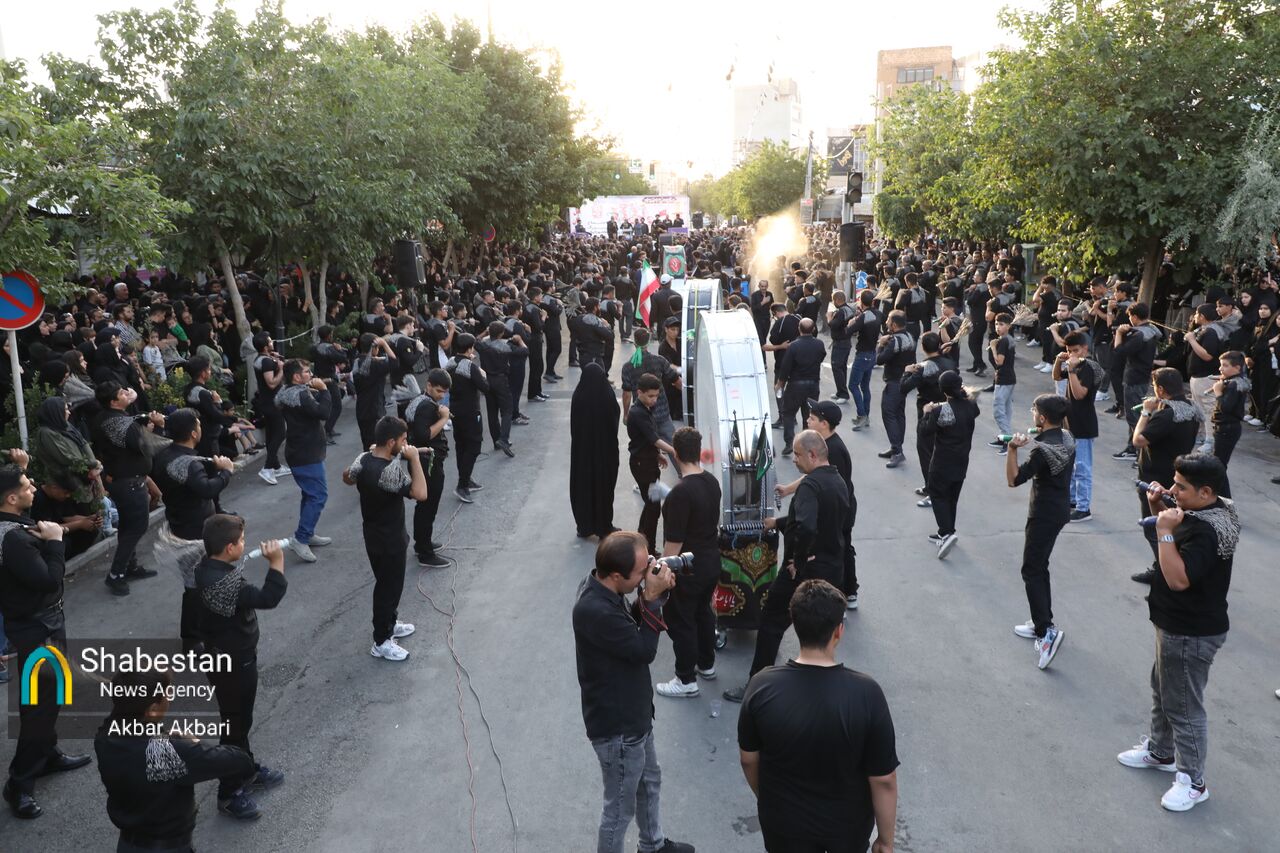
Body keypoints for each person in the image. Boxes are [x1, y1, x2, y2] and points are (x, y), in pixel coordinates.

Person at [737, 579, 899, 853]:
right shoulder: (867, 694)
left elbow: (748, 759)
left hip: (783, 825)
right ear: (839, 631)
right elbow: (884, 779)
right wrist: (885, 841)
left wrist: (770, 800)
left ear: (794, 623)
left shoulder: (761, 686)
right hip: (846, 830)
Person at [1117, 455, 1238, 812]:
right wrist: (1158, 508)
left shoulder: (1205, 529)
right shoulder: (1217, 509)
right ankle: (1161, 751)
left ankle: (1193, 781)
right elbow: (1167, 550)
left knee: (1183, 706)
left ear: (1206, 492)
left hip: (1190, 631)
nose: (1172, 490)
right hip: (1176, 625)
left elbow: (1178, 578)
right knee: (1164, 689)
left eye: (1180, 487)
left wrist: (1164, 528)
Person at [571, 531, 693, 853]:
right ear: (616, 575)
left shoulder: (604, 589)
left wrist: (650, 599)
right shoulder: (594, 610)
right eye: (641, 571)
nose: (648, 572)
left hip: (634, 717)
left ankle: (652, 845)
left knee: (649, 783)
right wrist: (651, 599)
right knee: (619, 810)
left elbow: (629, 629)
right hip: (619, 729)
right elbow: (642, 650)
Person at [725, 431, 852, 703]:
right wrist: (779, 523)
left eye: (797, 454)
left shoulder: (810, 486)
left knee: (772, 622)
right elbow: (828, 521)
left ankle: (757, 684)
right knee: (821, 632)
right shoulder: (838, 480)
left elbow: (807, 526)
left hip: (803, 573)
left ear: (812, 455)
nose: (794, 459)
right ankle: (821, 690)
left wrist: (799, 561)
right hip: (832, 569)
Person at [0, 463, 93, 820]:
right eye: (27, 485)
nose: (34, 488)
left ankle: (48, 754)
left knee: (47, 698)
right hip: (36, 627)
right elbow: (48, 581)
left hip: (42, 623)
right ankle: (19, 784)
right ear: (11, 498)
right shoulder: (12, 538)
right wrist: (55, 543)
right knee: (40, 706)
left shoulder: (13, 527)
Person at [95, 667, 255, 852]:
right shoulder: (167, 752)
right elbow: (238, 760)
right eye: (167, 695)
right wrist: (190, 742)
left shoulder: (104, 737)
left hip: (128, 843)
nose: (170, 699)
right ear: (152, 709)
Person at [195, 514, 287, 820]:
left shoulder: (206, 568)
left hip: (224, 657)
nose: (245, 544)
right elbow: (268, 597)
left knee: (239, 721)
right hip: (233, 664)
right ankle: (229, 791)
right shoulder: (225, 584)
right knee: (234, 727)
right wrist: (277, 561)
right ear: (230, 548)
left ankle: (245, 769)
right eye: (242, 540)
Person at [343, 416, 428, 662]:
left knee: (388, 586)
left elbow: (347, 477)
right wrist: (414, 459)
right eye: (403, 440)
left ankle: (390, 622)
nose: (406, 444)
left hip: (374, 535)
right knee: (387, 590)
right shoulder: (388, 472)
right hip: (389, 541)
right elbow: (421, 493)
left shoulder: (363, 459)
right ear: (391, 442)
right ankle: (381, 641)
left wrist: (366, 459)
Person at [151, 409, 235, 653]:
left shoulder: (166, 455)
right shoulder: (187, 462)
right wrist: (226, 471)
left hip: (180, 523)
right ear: (193, 433)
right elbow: (206, 489)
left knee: (197, 581)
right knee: (197, 585)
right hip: (194, 529)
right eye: (198, 424)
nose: (200, 428)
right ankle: (193, 640)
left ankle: (200, 632)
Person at [1005, 394, 1074, 670]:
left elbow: (1013, 480)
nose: (1032, 413)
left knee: (1031, 569)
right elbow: (1051, 436)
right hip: (1060, 509)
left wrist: (1012, 448)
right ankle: (1040, 620)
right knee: (1040, 565)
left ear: (1043, 418)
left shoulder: (1042, 451)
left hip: (1044, 514)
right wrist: (1038, 434)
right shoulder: (1066, 438)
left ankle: (1046, 633)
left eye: (1034, 410)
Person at [654, 428, 722, 699]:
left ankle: (685, 679)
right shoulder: (711, 482)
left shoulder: (680, 493)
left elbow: (674, 544)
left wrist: (659, 572)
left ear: (676, 454)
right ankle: (706, 663)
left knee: (680, 619)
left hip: (688, 567)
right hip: (711, 561)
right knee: (703, 613)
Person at [779, 401, 859, 609]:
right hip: (835, 507)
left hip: (839, 510)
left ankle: (847, 592)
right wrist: (788, 489)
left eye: (812, 418)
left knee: (840, 549)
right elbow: (813, 476)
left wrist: (799, 559)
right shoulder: (823, 446)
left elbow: (819, 481)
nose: (807, 420)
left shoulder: (834, 450)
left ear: (824, 424)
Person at [91, 381, 164, 596]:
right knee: (136, 527)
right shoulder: (119, 422)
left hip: (122, 481)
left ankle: (129, 566)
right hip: (130, 483)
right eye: (121, 393)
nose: (126, 394)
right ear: (114, 401)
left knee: (127, 526)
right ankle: (116, 574)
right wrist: (158, 426)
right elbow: (146, 446)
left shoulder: (104, 418)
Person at [1131, 368, 1202, 584]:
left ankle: (1163, 574)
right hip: (1177, 475)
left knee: (1156, 527)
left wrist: (1145, 412)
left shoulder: (1166, 415)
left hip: (1156, 477)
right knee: (1174, 525)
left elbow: (1138, 440)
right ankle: (1165, 569)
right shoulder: (1190, 408)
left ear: (1160, 389)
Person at [276, 359, 335, 563]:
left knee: (310, 495)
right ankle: (300, 538)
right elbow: (323, 412)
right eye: (307, 372)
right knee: (318, 495)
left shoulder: (288, 392)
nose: (310, 375)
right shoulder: (300, 394)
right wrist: (324, 390)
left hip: (300, 451)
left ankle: (307, 533)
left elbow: (308, 408)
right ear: (296, 376)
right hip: (306, 453)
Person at [920, 371, 979, 559]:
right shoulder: (970, 404)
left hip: (942, 461)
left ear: (942, 390)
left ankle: (946, 533)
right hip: (962, 460)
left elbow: (925, 431)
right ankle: (947, 530)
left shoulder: (941, 411)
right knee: (952, 497)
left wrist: (926, 413)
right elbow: (974, 410)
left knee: (938, 495)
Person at [1053, 330, 1102, 522]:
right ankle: (1072, 500)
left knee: (1082, 468)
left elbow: (1080, 394)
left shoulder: (1087, 367)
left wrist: (1072, 370)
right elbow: (1057, 377)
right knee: (1071, 467)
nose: (1071, 354)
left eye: (1075, 350)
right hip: (1070, 423)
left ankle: (1084, 508)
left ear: (1084, 349)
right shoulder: (1075, 364)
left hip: (1084, 424)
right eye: (1069, 350)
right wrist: (1059, 361)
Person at [570, 362, 621, 539]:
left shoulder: (578, 396)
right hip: (605, 454)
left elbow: (574, 425)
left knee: (583, 488)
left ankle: (584, 526)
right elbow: (614, 419)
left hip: (582, 454)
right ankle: (603, 526)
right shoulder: (607, 396)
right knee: (603, 488)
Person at [406, 370, 451, 568]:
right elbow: (423, 435)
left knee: (425, 506)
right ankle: (425, 552)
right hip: (426, 462)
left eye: (444, 392)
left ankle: (422, 542)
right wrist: (443, 419)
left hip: (424, 460)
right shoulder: (425, 406)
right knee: (428, 506)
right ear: (429, 385)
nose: (441, 395)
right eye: (439, 391)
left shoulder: (422, 401)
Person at [627, 374, 676, 553]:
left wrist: (657, 455)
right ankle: (649, 548)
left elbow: (647, 440)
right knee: (653, 508)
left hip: (647, 462)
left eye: (656, 396)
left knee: (650, 505)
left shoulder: (645, 409)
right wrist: (674, 451)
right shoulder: (638, 413)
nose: (654, 400)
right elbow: (654, 439)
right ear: (639, 392)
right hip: (643, 466)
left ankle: (642, 540)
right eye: (650, 396)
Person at [1112, 302, 1163, 459]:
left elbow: (1119, 352)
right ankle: (1132, 448)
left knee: (1134, 416)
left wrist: (1119, 333)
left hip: (1134, 377)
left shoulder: (1139, 335)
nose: (1129, 320)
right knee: (1137, 413)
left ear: (1134, 316)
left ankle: (1142, 452)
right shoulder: (1151, 330)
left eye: (1129, 316)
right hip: (1143, 375)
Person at [901, 332, 947, 496]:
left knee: (926, 450)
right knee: (940, 450)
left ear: (923, 347)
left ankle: (931, 487)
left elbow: (904, 387)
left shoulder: (923, 367)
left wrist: (907, 371)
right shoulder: (949, 362)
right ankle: (940, 484)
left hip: (927, 413)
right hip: (946, 410)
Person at [446, 334, 488, 502]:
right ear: (470, 348)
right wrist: (482, 374)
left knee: (461, 445)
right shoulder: (470, 367)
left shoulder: (450, 363)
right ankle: (462, 484)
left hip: (455, 409)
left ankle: (466, 478)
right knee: (474, 446)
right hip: (470, 411)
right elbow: (485, 387)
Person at [775, 318, 826, 453]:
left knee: (788, 413)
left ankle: (789, 442)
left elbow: (785, 368)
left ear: (799, 329)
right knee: (808, 415)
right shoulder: (819, 344)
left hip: (795, 385)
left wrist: (780, 384)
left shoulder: (793, 346)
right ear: (813, 329)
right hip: (813, 385)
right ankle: (806, 444)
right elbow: (821, 357)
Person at [875, 311, 915, 468]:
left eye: (888, 320)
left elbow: (879, 360)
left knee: (889, 414)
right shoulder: (910, 337)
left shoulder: (894, 341)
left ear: (894, 324)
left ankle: (897, 452)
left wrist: (881, 344)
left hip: (894, 382)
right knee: (899, 414)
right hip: (905, 380)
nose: (886, 322)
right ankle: (896, 447)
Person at [1208, 351, 1248, 495]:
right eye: (1221, 365)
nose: (1220, 369)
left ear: (1237, 368)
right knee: (1219, 464)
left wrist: (1218, 392)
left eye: (1225, 366)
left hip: (1227, 428)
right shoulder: (1236, 381)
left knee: (1219, 466)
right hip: (1227, 427)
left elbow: (1225, 407)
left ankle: (1224, 498)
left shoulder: (1233, 384)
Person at [253, 331, 290, 484]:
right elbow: (272, 383)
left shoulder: (260, 359)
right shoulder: (266, 362)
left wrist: (275, 359)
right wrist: (280, 368)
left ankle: (275, 466)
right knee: (280, 433)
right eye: (269, 341)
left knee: (271, 434)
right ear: (264, 346)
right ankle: (267, 467)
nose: (272, 342)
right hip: (273, 403)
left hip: (266, 402)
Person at [477, 320, 517, 457]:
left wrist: (484, 333)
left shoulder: (483, 345)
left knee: (492, 411)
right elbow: (523, 350)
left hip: (487, 379)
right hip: (501, 379)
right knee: (507, 411)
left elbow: (475, 340)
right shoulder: (506, 347)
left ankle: (496, 440)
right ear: (501, 333)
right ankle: (504, 439)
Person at [352, 333, 396, 450]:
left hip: (362, 409)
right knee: (379, 446)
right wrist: (385, 344)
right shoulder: (375, 365)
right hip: (375, 409)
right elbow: (394, 362)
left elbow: (368, 361)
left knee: (367, 445)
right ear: (374, 348)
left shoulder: (357, 361)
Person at [847, 290, 883, 431]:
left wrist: (852, 321)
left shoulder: (863, 317)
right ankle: (866, 416)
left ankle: (862, 415)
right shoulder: (878, 314)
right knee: (864, 386)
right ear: (873, 301)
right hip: (872, 353)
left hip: (862, 355)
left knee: (853, 385)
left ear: (861, 301)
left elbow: (849, 331)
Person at [987, 313, 1016, 453]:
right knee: (1006, 409)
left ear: (1008, 326)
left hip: (1004, 380)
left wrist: (993, 346)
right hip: (1009, 378)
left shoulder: (1004, 341)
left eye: (1001, 324)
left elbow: (999, 361)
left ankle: (1008, 440)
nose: (998, 327)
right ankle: (1003, 437)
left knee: (998, 411)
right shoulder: (1008, 339)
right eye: (996, 324)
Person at [827, 290, 856, 403]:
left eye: (833, 300)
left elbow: (833, 325)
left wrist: (829, 317)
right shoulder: (848, 309)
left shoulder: (841, 312)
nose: (833, 302)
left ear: (837, 300)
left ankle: (843, 394)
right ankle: (840, 391)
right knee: (841, 368)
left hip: (840, 343)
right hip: (845, 342)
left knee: (837, 367)